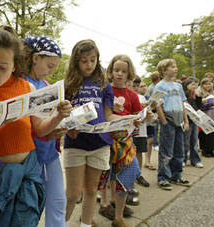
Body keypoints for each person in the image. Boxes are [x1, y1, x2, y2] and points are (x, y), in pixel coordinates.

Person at [0, 26, 72, 227]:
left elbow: (39, 129)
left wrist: (58, 116)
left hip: (28, 168)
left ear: (14, 65)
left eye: (2, 67)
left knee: (26, 221)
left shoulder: (26, 88)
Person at [63, 40, 125, 227]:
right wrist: (68, 126)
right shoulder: (68, 84)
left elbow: (107, 115)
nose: (89, 64)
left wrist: (129, 119)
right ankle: (61, 223)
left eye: (92, 60)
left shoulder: (104, 84)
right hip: (76, 143)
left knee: (91, 190)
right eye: (84, 61)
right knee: (73, 193)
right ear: (76, 61)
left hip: (100, 143)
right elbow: (61, 115)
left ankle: (86, 224)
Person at [22, 36, 67, 227]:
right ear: (35, 58)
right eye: (49, 65)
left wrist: (63, 124)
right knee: (30, 205)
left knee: (58, 201)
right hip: (30, 155)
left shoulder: (49, 87)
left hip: (50, 153)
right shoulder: (22, 83)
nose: (51, 71)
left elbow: (49, 119)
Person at [99, 54, 144, 227]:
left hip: (126, 142)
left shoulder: (132, 95)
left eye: (123, 71)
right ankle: (104, 204)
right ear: (110, 71)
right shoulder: (104, 90)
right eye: (116, 70)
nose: (119, 74)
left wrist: (140, 118)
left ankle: (118, 215)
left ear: (129, 73)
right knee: (104, 174)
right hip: (105, 139)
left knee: (126, 175)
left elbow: (138, 116)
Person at [154, 59, 191, 191]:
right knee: (166, 151)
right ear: (164, 70)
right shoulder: (160, 86)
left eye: (175, 67)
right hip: (168, 121)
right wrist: (163, 121)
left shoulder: (179, 86)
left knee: (179, 150)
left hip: (179, 121)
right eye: (173, 67)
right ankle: (163, 177)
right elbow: (157, 104)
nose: (175, 69)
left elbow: (182, 103)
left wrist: (186, 120)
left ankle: (177, 175)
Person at [131, 76, 150, 187]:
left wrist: (149, 115)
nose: (136, 88)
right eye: (134, 86)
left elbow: (146, 114)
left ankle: (138, 175)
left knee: (139, 153)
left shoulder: (142, 98)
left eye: (137, 86)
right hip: (130, 131)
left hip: (141, 131)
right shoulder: (128, 96)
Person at [181, 77, 203, 167]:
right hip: (187, 120)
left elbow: (197, 107)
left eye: (196, 84)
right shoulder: (184, 96)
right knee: (186, 141)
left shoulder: (194, 95)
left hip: (194, 121)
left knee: (194, 141)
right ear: (186, 85)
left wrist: (199, 97)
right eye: (193, 84)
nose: (195, 86)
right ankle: (183, 159)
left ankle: (195, 160)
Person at [198, 78, 214, 158]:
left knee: (213, 133)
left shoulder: (213, 94)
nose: (208, 85)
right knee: (205, 133)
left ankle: (212, 150)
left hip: (213, 114)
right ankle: (205, 150)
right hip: (205, 115)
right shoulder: (201, 94)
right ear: (202, 85)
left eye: (209, 84)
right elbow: (200, 106)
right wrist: (209, 104)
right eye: (206, 84)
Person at [140, 80, 157, 171]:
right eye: (141, 86)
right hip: (141, 123)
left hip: (149, 122)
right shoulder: (136, 97)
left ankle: (147, 160)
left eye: (145, 85)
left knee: (150, 141)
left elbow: (153, 111)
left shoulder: (148, 97)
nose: (144, 87)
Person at [146, 71, 161, 151]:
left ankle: (155, 143)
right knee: (154, 128)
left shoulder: (151, 86)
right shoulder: (154, 87)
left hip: (154, 108)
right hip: (153, 109)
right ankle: (155, 144)